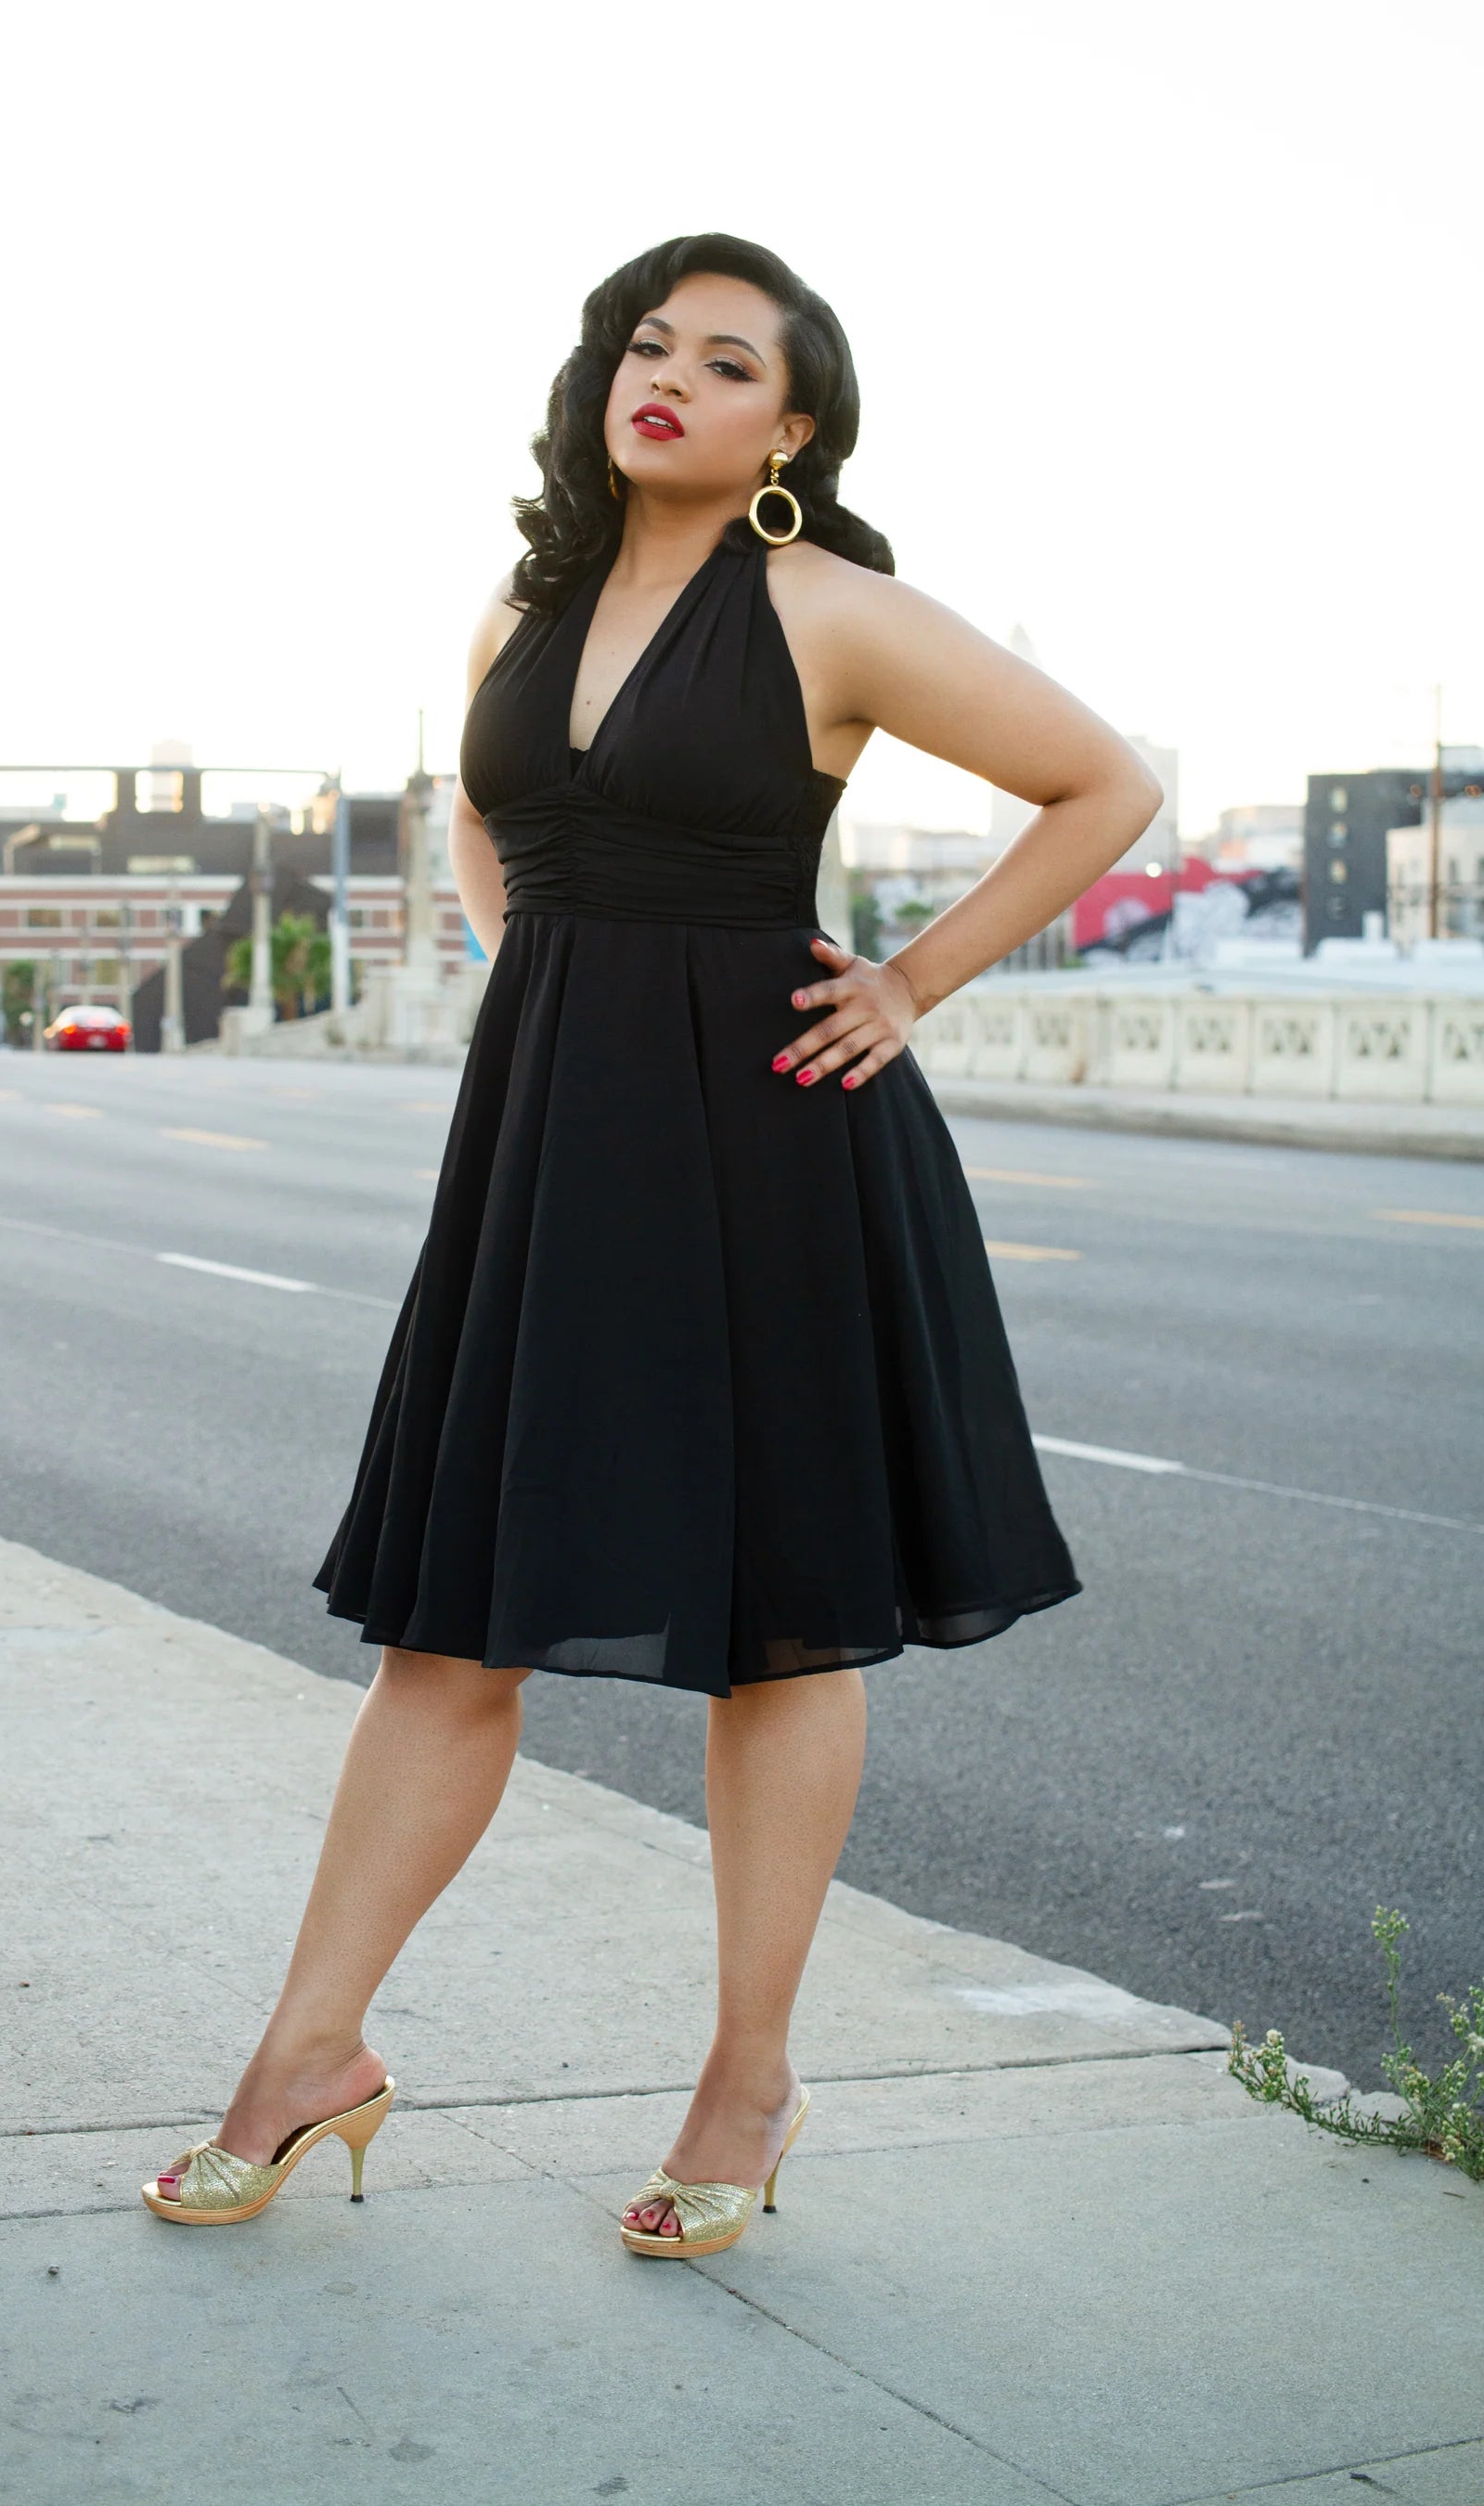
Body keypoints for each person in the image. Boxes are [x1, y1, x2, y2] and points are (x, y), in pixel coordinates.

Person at [142, 233, 1162, 2252]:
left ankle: (746, 2091)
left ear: (793, 428)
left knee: (775, 1620)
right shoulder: (522, 602)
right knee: (451, 1622)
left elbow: (1103, 783)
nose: (663, 374)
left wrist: (913, 985)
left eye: (723, 357)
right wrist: (527, 951)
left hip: (770, 1145)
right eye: (642, 340)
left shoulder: (825, 608)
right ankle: (304, 2058)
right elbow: (474, 804)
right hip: (545, 1145)